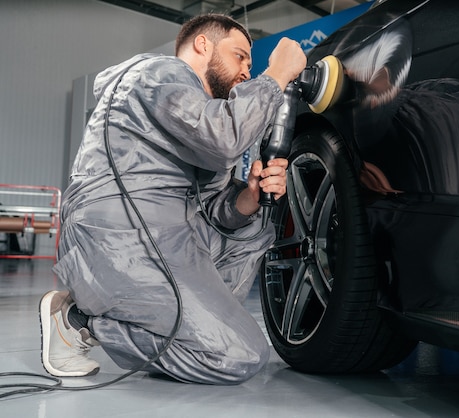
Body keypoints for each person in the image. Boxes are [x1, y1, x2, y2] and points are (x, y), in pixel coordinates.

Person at [39, 14, 307, 385]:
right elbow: (226, 136)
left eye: (251, 62)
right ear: (202, 45)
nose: (247, 69)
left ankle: (194, 331)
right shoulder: (162, 74)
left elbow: (217, 213)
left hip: (163, 234)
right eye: (240, 56)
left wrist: (249, 196)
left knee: (255, 225)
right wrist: (276, 74)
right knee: (241, 356)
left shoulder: (201, 112)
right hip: (117, 234)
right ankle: (80, 321)